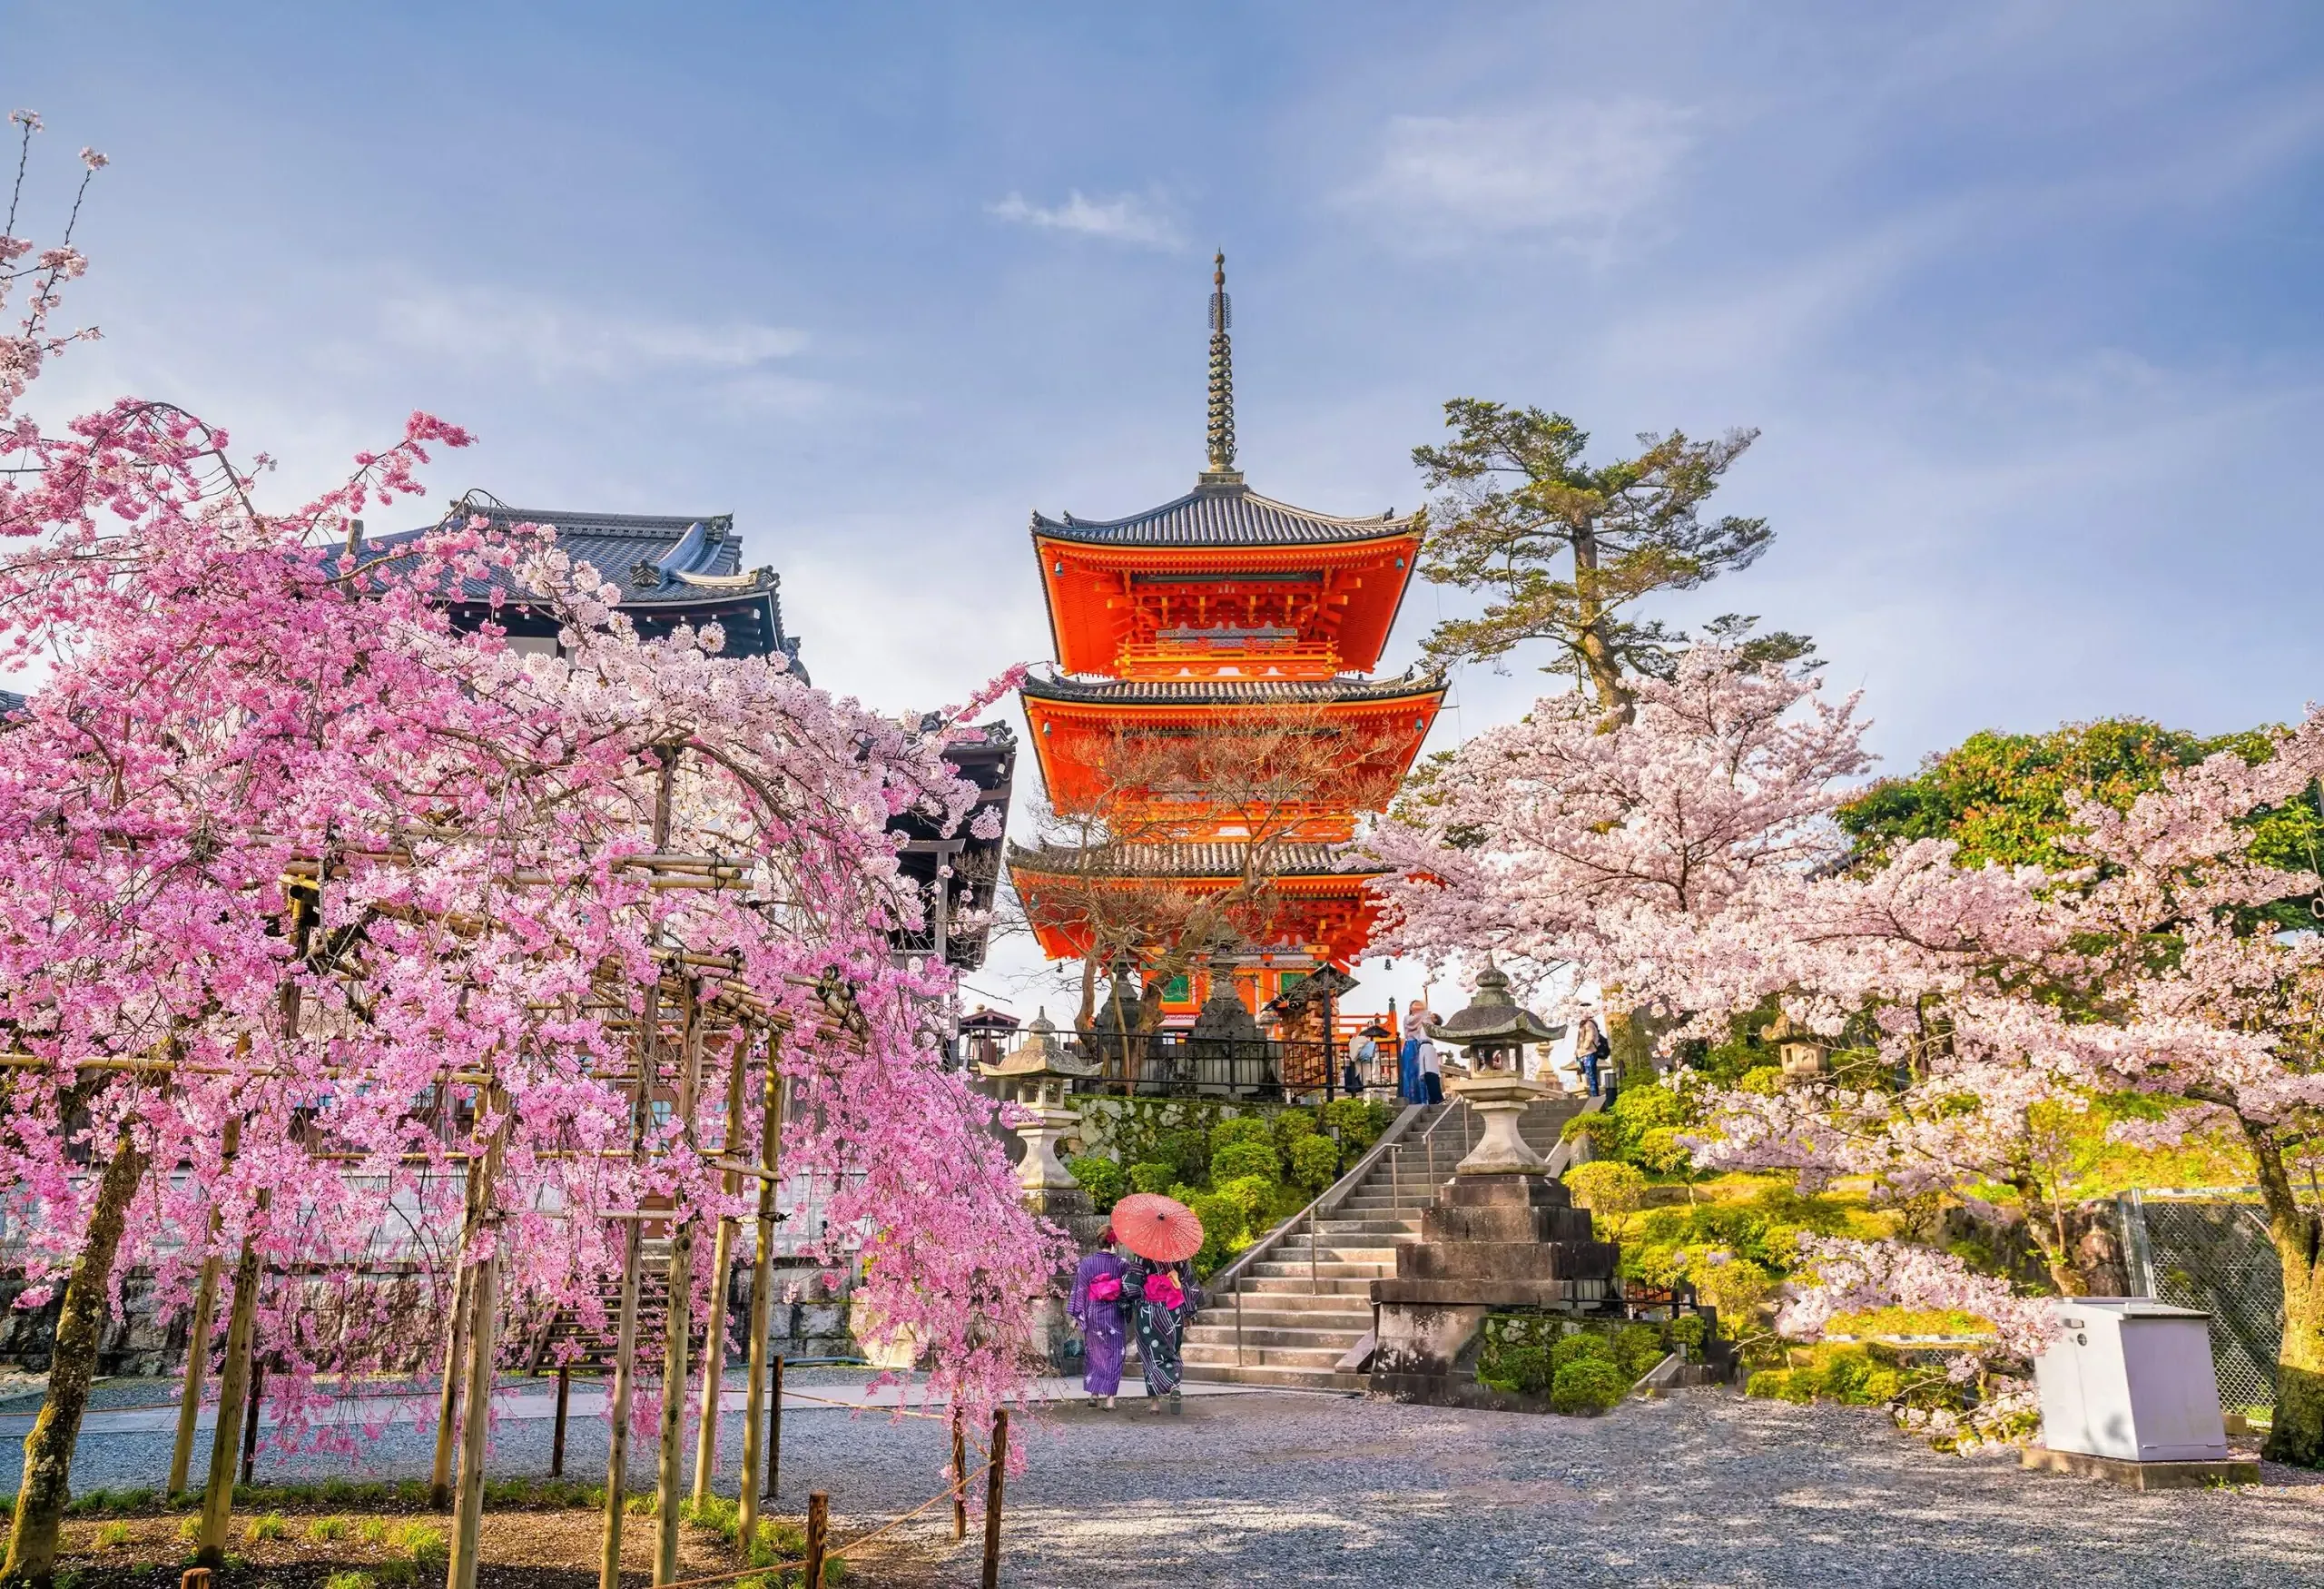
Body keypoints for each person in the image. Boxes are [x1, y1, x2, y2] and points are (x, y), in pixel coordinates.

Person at [1123, 1250, 1194, 1413]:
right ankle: (1174, 1386)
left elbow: (1132, 1287)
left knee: (1149, 1354)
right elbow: (1188, 1282)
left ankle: (1155, 1403)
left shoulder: (1143, 1252)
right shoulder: (1178, 1253)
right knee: (1172, 1351)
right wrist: (1189, 1312)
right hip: (1172, 1310)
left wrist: (1133, 1299)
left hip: (1150, 1311)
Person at [1066, 1229, 1128, 1409]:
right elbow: (1129, 1289)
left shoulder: (1087, 1263)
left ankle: (1094, 1394)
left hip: (1093, 1312)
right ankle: (1110, 1399)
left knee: (1095, 1352)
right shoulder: (1122, 1264)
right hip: (1114, 1313)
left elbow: (1080, 1290)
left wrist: (1076, 1315)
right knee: (1115, 1353)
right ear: (1114, 1242)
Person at [1577, 1013, 1610, 1098]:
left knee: (1591, 1074)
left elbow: (1590, 1037)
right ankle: (1593, 1093)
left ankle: (1595, 1094)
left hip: (1590, 1051)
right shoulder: (1583, 1024)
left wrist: (1584, 1047)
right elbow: (1580, 1039)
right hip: (1584, 1052)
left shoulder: (1589, 1024)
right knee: (1589, 1074)